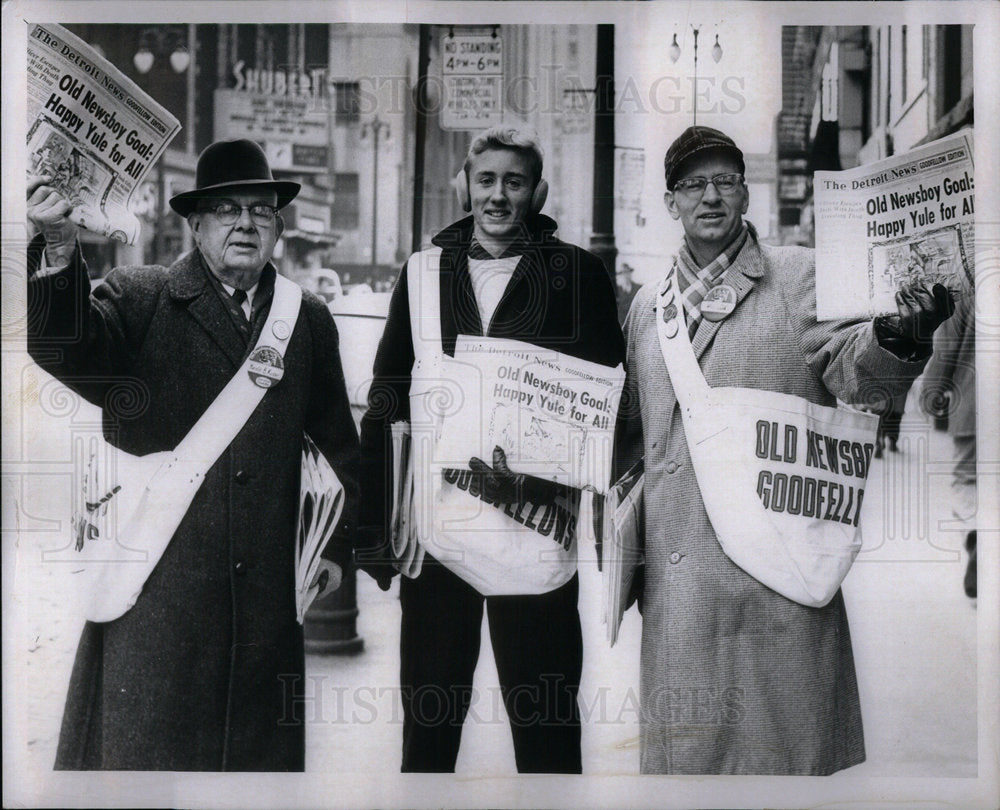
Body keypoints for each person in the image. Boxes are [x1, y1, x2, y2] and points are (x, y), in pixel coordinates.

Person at [613, 126, 955, 775]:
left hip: (777, 583)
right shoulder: (643, 311)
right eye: (692, 184)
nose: (709, 196)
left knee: (777, 768)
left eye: (724, 181)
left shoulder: (799, 275)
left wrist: (901, 336)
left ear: (745, 191)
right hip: (679, 592)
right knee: (689, 775)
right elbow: (633, 436)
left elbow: (860, 375)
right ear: (670, 202)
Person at [25, 138, 360, 771]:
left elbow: (339, 447)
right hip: (156, 599)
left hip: (264, 613)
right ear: (196, 223)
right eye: (228, 210)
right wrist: (62, 251)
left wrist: (335, 550)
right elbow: (65, 351)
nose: (245, 224)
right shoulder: (140, 295)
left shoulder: (307, 318)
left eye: (260, 211)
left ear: (278, 226)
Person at [356, 125, 624, 773]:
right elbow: (386, 398)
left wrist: (551, 467)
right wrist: (371, 535)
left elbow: (605, 403)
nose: (498, 196)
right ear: (464, 185)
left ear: (538, 191)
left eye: (514, 181)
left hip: (535, 541)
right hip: (438, 542)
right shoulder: (422, 274)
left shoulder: (578, 274)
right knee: (428, 735)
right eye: (486, 180)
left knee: (548, 736)